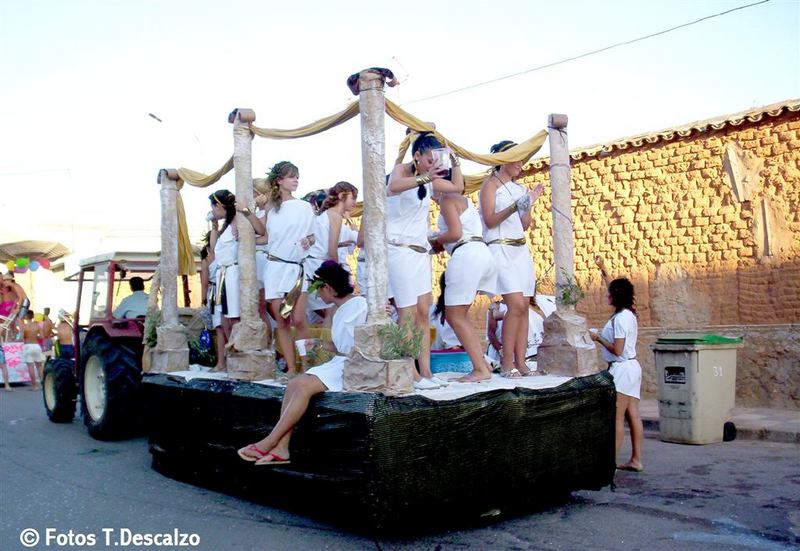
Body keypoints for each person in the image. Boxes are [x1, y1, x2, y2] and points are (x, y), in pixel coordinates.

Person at [237, 261, 367, 465]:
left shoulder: (360, 305)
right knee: (294, 383)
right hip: (339, 361)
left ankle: (269, 441)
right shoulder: (340, 309)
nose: (317, 296)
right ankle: (282, 448)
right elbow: (338, 345)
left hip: (354, 364)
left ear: (329, 288)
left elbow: (361, 342)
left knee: (304, 386)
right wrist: (315, 345)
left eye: (318, 289)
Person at [386, 132, 464, 390]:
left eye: (436, 160)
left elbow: (457, 188)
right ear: (417, 156)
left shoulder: (429, 181)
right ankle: (409, 373)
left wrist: (455, 161)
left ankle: (426, 372)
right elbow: (393, 187)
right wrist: (426, 176)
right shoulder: (402, 171)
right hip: (400, 251)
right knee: (406, 314)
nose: (433, 165)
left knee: (423, 313)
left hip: (420, 252)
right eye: (429, 159)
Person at [479, 140, 543, 378]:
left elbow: (524, 225)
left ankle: (522, 362)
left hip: (520, 250)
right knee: (514, 305)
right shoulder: (490, 186)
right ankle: (507, 363)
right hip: (499, 249)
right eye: (516, 159)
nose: (520, 164)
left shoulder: (519, 189)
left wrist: (527, 206)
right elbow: (490, 220)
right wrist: (516, 206)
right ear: (503, 160)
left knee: (524, 306)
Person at [430, 187, 497, 382]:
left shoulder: (447, 199)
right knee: (461, 316)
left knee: (454, 316)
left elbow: (454, 233)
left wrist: (433, 240)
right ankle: (482, 364)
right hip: (480, 253)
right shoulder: (463, 200)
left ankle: (480, 369)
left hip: (466, 254)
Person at [262, 161, 316, 374]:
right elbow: (265, 236)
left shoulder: (304, 207)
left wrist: (308, 241)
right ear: (279, 181)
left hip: (296, 269)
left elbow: (312, 235)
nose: (296, 180)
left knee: (299, 319)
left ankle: (307, 366)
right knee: (282, 321)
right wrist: (247, 213)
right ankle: (292, 368)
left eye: (297, 176)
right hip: (275, 269)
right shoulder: (271, 208)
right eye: (291, 176)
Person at [589, 273, 644, 473]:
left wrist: (598, 338)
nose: (606, 295)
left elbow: (617, 350)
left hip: (622, 369)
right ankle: (636, 459)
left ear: (616, 296)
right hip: (632, 367)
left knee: (617, 417)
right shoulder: (630, 314)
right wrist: (603, 270)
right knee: (633, 415)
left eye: (609, 293)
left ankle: (609, 463)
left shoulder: (620, 319)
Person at [208, 189, 267, 352]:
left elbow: (262, 232)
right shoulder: (227, 225)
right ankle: (233, 350)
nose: (212, 211)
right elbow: (214, 250)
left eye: (213, 207)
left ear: (218, 206)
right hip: (222, 274)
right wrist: (214, 226)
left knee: (234, 317)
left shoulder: (237, 221)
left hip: (233, 273)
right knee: (223, 318)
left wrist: (245, 210)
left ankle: (242, 350)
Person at [304, 181, 358, 326]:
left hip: (312, 264)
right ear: (342, 196)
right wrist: (337, 275)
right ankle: (328, 344)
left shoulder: (328, 215)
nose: (355, 202)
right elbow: (332, 250)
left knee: (329, 311)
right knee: (330, 311)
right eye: (353, 198)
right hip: (318, 265)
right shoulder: (335, 216)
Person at [21, 310, 43, 389]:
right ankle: (43, 384)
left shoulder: (24, 326)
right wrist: (35, 336)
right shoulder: (37, 326)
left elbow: (21, 337)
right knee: (39, 366)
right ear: (33, 316)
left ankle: (34, 386)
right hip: (36, 345)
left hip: (28, 346)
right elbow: (41, 336)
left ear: (26, 317)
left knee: (30, 367)